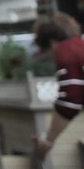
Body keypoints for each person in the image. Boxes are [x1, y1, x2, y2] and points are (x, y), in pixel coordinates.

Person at [32, 12, 84, 160]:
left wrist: (47, 143)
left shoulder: (66, 52)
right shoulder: (79, 46)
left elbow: (70, 101)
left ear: (52, 42)